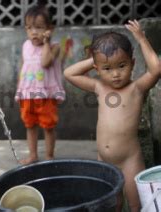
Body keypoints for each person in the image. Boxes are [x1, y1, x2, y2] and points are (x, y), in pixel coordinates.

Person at [64, 20, 160, 211]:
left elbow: (156, 69)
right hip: (104, 160)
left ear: (132, 64)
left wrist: (141, 38)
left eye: (121, 66)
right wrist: (96, 60)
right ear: (97, 69)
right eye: (107, 68)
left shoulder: (136, 89)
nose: (115, 74)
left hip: (130, 159)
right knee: (111, 204)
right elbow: (69, 73)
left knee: (136, 204)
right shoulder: (99, 87)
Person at [15, 4, 66, 165]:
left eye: (38, 27)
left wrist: (46, 42)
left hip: (46, 95)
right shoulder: (25, 46)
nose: (33, 32)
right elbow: (22, 68)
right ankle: (33, 155)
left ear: (49, 29)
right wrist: (19, 90)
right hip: (28, 94)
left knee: (48, 126)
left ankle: (49, 156)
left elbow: (45, 62)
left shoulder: (54, 47)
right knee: (30, 125)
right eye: (29, 28)